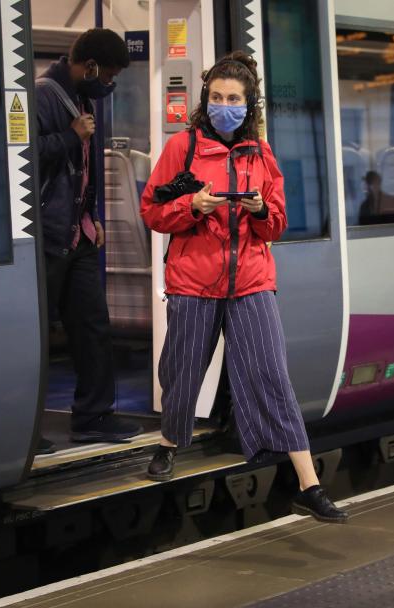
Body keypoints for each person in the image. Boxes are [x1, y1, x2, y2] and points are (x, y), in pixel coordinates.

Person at [138, 51, 348, 524]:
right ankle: (169, 444)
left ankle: (309, 485)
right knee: (182, 369)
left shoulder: (261, 154)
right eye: (216, 97)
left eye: (233, 99)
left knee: (272, 374)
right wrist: (194, 205)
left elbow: (276, 225)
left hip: (251, 281)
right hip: (193, 281)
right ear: (205, 100)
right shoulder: (183, 148)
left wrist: (257, 212)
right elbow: (152, 212)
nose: (224, 106)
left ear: (248, 104)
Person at [35, 28, 141, 451]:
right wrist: (70, 136)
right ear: (91, 65)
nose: (110, 83)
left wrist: (91, 216)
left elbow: (82, 168)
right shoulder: (43, 95)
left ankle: (94, 416)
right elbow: (21, 152)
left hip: (75, 234)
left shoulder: (78, 98)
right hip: (45, 235)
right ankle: (26, 430)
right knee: (37, 336)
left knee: (93, 326)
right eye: (109, 74)